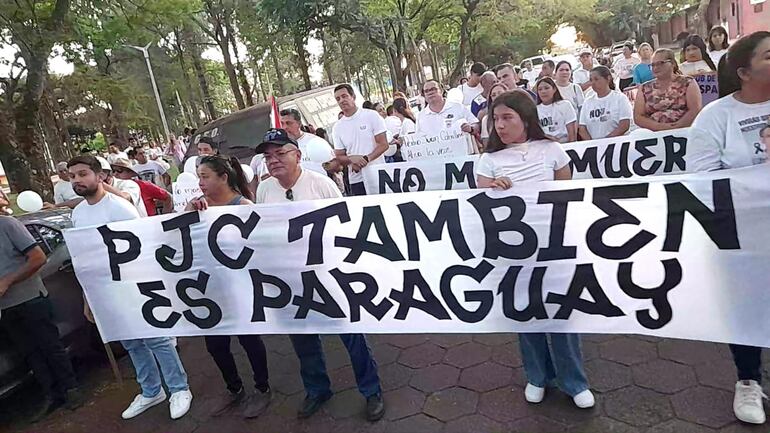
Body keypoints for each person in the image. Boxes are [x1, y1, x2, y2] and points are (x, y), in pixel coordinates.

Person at [252, 129, 386, 421]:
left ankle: (371, 390)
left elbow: (346, 227)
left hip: (328, 275)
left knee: (351, 335)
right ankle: (317, 389)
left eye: (280, 153)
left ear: (297, 155)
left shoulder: (321, 185)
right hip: (290, 279)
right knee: (303, 339)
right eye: (267, 156)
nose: (273, 160)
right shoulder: (264, 190)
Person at [474, 90, 595, 409]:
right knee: (525, 315)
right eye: (495, 119)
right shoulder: (489, 160)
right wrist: (493, 190)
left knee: (561, 313)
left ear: (526, 119)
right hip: (512, 252)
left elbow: (567, 197)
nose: (498, 125)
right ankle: (537, 376)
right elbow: (480, 207)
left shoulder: (553, 150)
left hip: (553, 247)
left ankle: (574, 381)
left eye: (506, 118)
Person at [67, 155, 193, 420]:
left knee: (156, 338)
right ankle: (151, 390)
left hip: (135, 284)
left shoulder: (120, 208)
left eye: (82, 174)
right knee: (131, 342)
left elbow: (142, 248)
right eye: (72, 176)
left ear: (99, 175)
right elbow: (84, 261)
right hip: (103, 290)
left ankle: (179, 388)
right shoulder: (77, 214)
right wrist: (87, 298)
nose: (77, 180)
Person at [686, 31, 770, 425]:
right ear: (744, 72)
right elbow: (702, 181)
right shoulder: (715, 116)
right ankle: (749, 380)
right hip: (745, 234)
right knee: (747, 307)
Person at [184, 154, 274, 419]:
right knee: (216, 345)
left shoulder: (242, 205)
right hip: (210, 289)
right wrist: (190, 210)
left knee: (248, 339)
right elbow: (176, 236)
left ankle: (262, 387)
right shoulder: (197, 206)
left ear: (223, 177)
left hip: (240, 286)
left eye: (205, 176)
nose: (200, 182)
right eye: (199, 176)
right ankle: (234, 388)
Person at [0, 215, 84, 421]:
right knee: (30, 353)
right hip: (6, 307)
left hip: (31, 298)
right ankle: (52, 395)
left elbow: (38, 257)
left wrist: (7, 281)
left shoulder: (7, 224)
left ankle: (72, 390)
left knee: (50, 346)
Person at [332, 83, 389, 196]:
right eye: (338, 99)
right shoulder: (337, 127)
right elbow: (339, 156)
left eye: (344, 96)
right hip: (356, 179)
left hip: (378, 174)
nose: (341, 101)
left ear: (353, 97)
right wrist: (351, 159)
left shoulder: (371, 116)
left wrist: (365, 160)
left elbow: (383, 144)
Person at [633, 48, 702, 131]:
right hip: (654, 133)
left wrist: (677, 126)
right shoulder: (644, 88)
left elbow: (695, 109)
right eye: (652, 65)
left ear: (672, 63)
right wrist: (658, 127)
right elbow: (638, 117)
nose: (655, 67)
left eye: (660, 63)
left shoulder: (688, 82)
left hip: (685, 130)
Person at [279, 108, 344, 191]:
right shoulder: (280, 146)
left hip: (320, 191)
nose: (285, 127)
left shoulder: (316, 141)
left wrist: (329, 165)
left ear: (299, 124)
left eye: (289, 123)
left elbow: (338, 166)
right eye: (282, 124)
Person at [417, 80, 480, 152]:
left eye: (433, 89)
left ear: (441, 90)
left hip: (462, 156)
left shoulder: (458, 107)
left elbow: (476, 124)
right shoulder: (421, 116)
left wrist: (471, 128)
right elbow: (418, 140)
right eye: (426, 91)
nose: (430, 93)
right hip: (434, 158)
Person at [579, 66, 633, 140]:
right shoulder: (587, 102)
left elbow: (624, 125)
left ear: (608, 78)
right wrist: (593, 144)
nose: (593, 83)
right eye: (591, 80)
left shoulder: (620, 98)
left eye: (596, 79)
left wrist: (605, 142)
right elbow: (582, 128)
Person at [536, 77, 578, 143]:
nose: (543, 91)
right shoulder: (535, 110)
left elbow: (572, 133)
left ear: (554, 89)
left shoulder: (565, 105)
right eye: (540, 89)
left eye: (546, 88)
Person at [480, 82, 509, 147]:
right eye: (493, 95)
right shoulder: (486, 120)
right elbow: (486, 144)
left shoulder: (517, 114)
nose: (497, 96)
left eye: (500, 93)